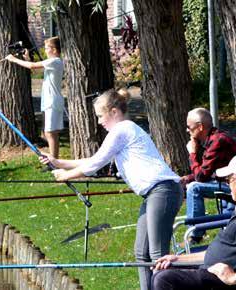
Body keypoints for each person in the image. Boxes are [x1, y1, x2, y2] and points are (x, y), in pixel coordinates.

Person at [39, 89, 181, 290]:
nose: (99, 121)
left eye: (100, 115)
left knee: (158, 255)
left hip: (163, 191)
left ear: (114, 112)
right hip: (153, 194)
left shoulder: (122, 129)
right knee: (142, 253)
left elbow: (94, 165)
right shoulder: (123, 131)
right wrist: (58, 162)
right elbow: (94, 160)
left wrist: (66, 176)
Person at [152, 153, 236, 290]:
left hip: (229, 282)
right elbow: (218, 253)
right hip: (214, 272)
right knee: (162, 271)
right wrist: (177, 259)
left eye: (229, 180)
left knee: (165, 279)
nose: (228, 185)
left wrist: (235, 278)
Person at [180, 108, 236, 243]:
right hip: (225, 183)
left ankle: (195, 235)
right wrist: (187, 178)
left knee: (194, 188)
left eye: (189, 127)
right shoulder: (214, 139)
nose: (187, 130)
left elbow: (202, 177)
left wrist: (192, 153)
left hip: (234, 186)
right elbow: (209, 171)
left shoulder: (217, 141)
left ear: (200, 127)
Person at [6, 36, 65, 158]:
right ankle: (53, 159)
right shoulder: (52, 63)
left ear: (54, 50)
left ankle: (54, 161)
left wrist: (13, 59)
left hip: (52, 102)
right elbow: (37, 71)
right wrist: (27, 58)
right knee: (49, 133)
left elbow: (32, 66)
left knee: (50, 133)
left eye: (47, 47)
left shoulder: (55, 61)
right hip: (49, 101)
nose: (45, 49)